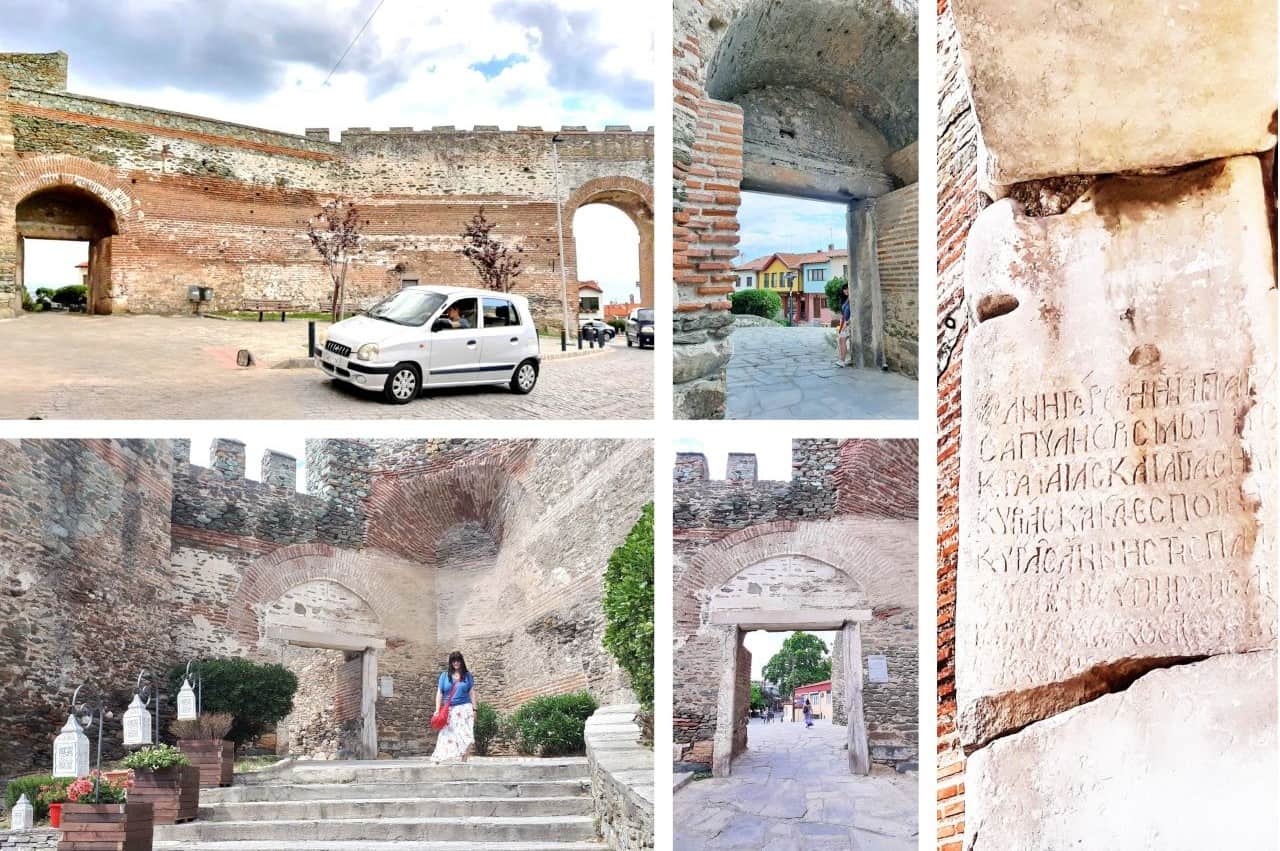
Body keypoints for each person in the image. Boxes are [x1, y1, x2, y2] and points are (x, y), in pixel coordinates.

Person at [430, 651, 476, 763]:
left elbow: (472, 693)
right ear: (451, 662)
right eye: (453, 660)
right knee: (447, 734)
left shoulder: (467, 676)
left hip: (465, 708)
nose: (456, 663)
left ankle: (464, 758)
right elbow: (439, 693)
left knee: (467, 734)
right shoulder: (444, 676)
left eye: (458, 660)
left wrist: (475, 709)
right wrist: (437, 710)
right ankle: (440, 756)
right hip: (450, 709)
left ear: (461, 661)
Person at [836, 283, 851, 367]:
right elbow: (843, 315)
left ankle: (842, 360)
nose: (846, 290)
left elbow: (853, 313)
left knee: (842, 340)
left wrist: (848, 323)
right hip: (845, 323)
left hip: (849, 323)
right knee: (841, 340)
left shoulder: (851, 299)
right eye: (844, 289)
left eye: (847, 288)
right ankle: (843, 359)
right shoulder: (844, 300)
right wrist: (841, 326)